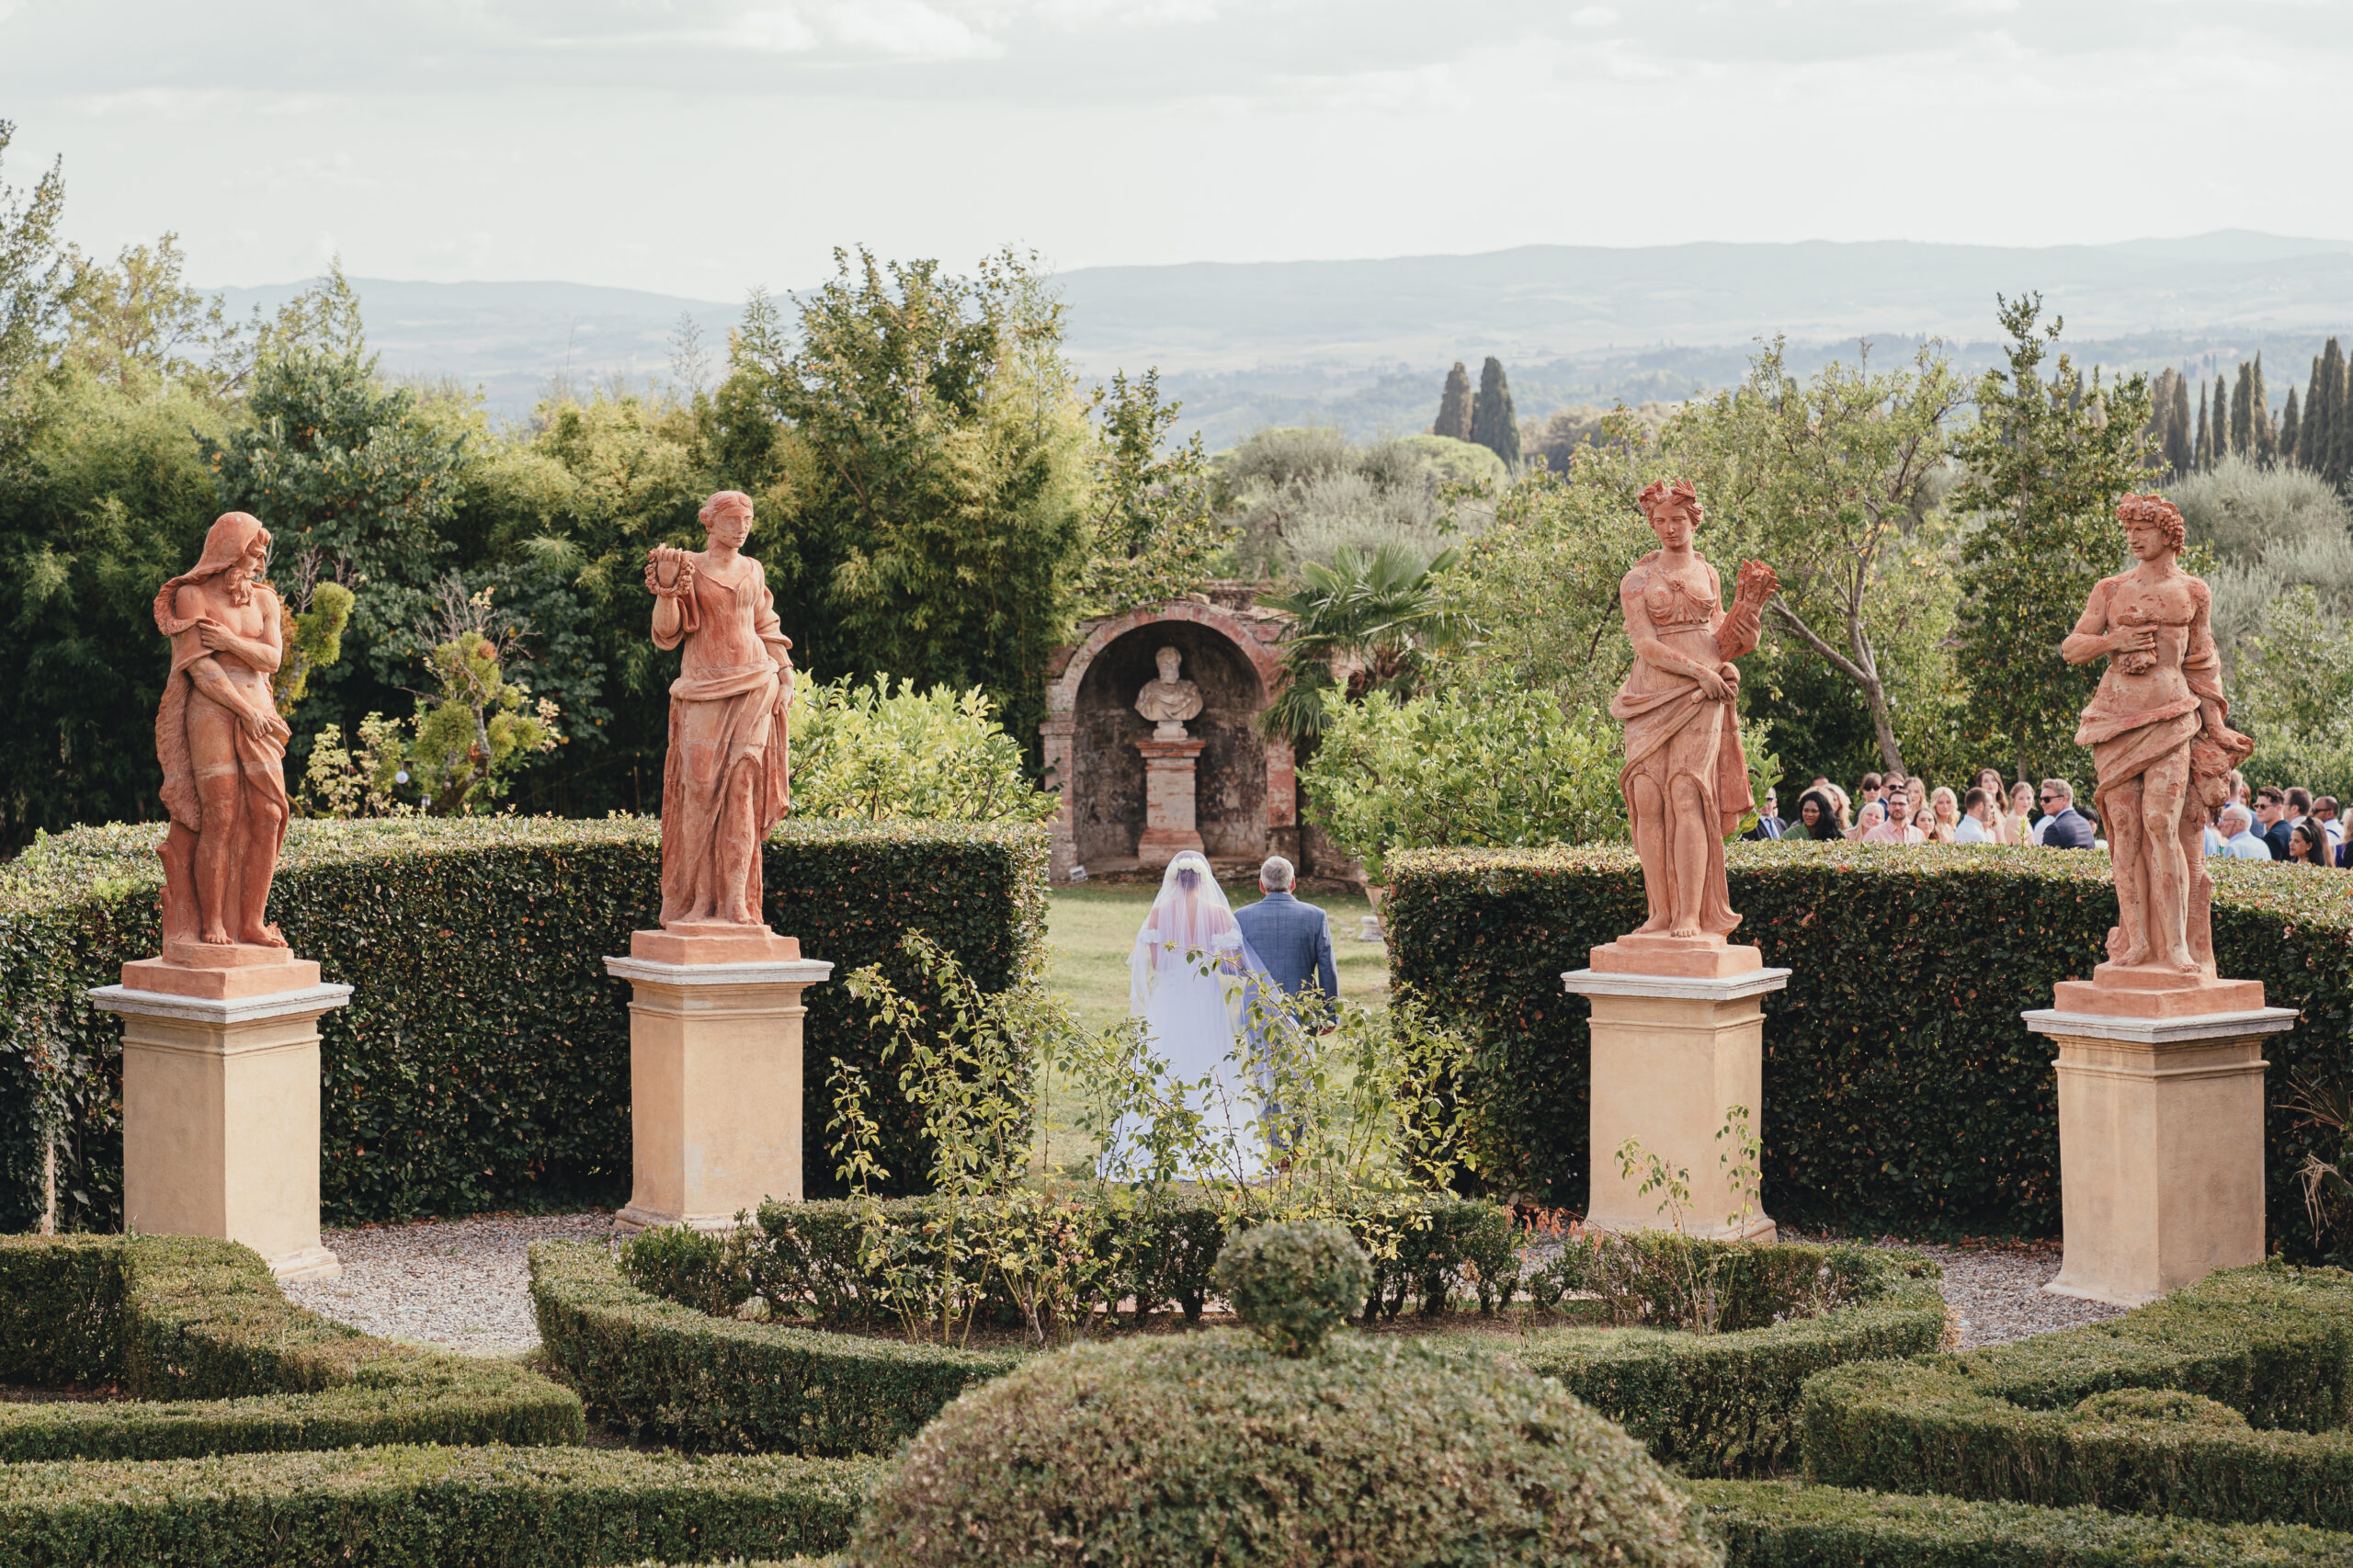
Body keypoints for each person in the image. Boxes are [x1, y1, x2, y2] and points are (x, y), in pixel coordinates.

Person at [1608, 479, 1777, 939]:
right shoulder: (1637, 579)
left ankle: (1689, 914)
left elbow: (1718, 630)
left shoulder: (1710, 572)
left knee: (1687, 794)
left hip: (1704, 698)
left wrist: (1743, 637)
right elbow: (1644, 642)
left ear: (1693, 520)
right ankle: (1659, 912)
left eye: (1677, 521)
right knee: (1646, 797)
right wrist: (1698, 670)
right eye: (1659, 521)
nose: (1668, 529)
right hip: (1652, 692)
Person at [646, 490, 795, 927]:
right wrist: (668, 590)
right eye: (734, 520)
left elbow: (765, 622)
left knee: (742, 792)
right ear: (709, 523)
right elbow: (666, 633)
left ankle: (736, 902)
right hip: (702, 689)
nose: (743, 528)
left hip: (754, 683)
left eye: (748, 520)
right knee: (697, 791)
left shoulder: (754, 568)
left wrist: (784, 673)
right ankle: (698, 900)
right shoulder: (688, 565)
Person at [153, 511, 293, 949]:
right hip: (212, 712)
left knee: (269, 815)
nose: (260, 562)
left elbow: (272, 660)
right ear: (229, 552)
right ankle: (211, 922)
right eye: (254, 553)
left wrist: (231, 643)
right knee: (222, 816)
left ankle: (252, 922)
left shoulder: (266, 600)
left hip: (261, 712)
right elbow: (200, 670)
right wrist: (241, 708)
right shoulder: (192, 597)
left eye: (262, 556)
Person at [1104, 850, 1274, 1180]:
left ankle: (1156, 1140)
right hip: (1206, 993)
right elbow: (1229, 963)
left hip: (1170, 994)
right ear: (1203, 879)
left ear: (1174, 879)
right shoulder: (1218, 912)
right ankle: (1216, 1139)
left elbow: (1159, 965)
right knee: (1209, 1057)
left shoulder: (1158, 912)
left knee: (1165, 1056)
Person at [1233, 856, 1339, 1023]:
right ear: (1293, 883)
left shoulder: (1241, 917)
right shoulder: (1316, 916)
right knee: (1303, 1051)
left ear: (1261, 885)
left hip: (1257, 1010)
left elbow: (1232, 967)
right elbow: (1327, 969)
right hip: (1303, 1009)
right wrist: (1330, 1014)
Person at [2037, 779, 2096, 849]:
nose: (2042, 803)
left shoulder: (2054, 829)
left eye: (2047, 799)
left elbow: (2046, 859)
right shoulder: (2085, 823)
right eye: (2041, 799)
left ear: (2064, 800)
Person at [2255, 787, 2293, 860]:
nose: (2258, 810)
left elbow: (2272, 869)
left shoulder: (2272, 837)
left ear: (2279, 808)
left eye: (2263, 806)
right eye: (2256, 806)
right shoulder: (2291, 829)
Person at [2007, 780, 2040, 845]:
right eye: (2021, 798)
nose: (2025, 802)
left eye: (2028, 798)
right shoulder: (2016, 820)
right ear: (2013, 800)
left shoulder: (2022, 818)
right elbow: (2021, 850)